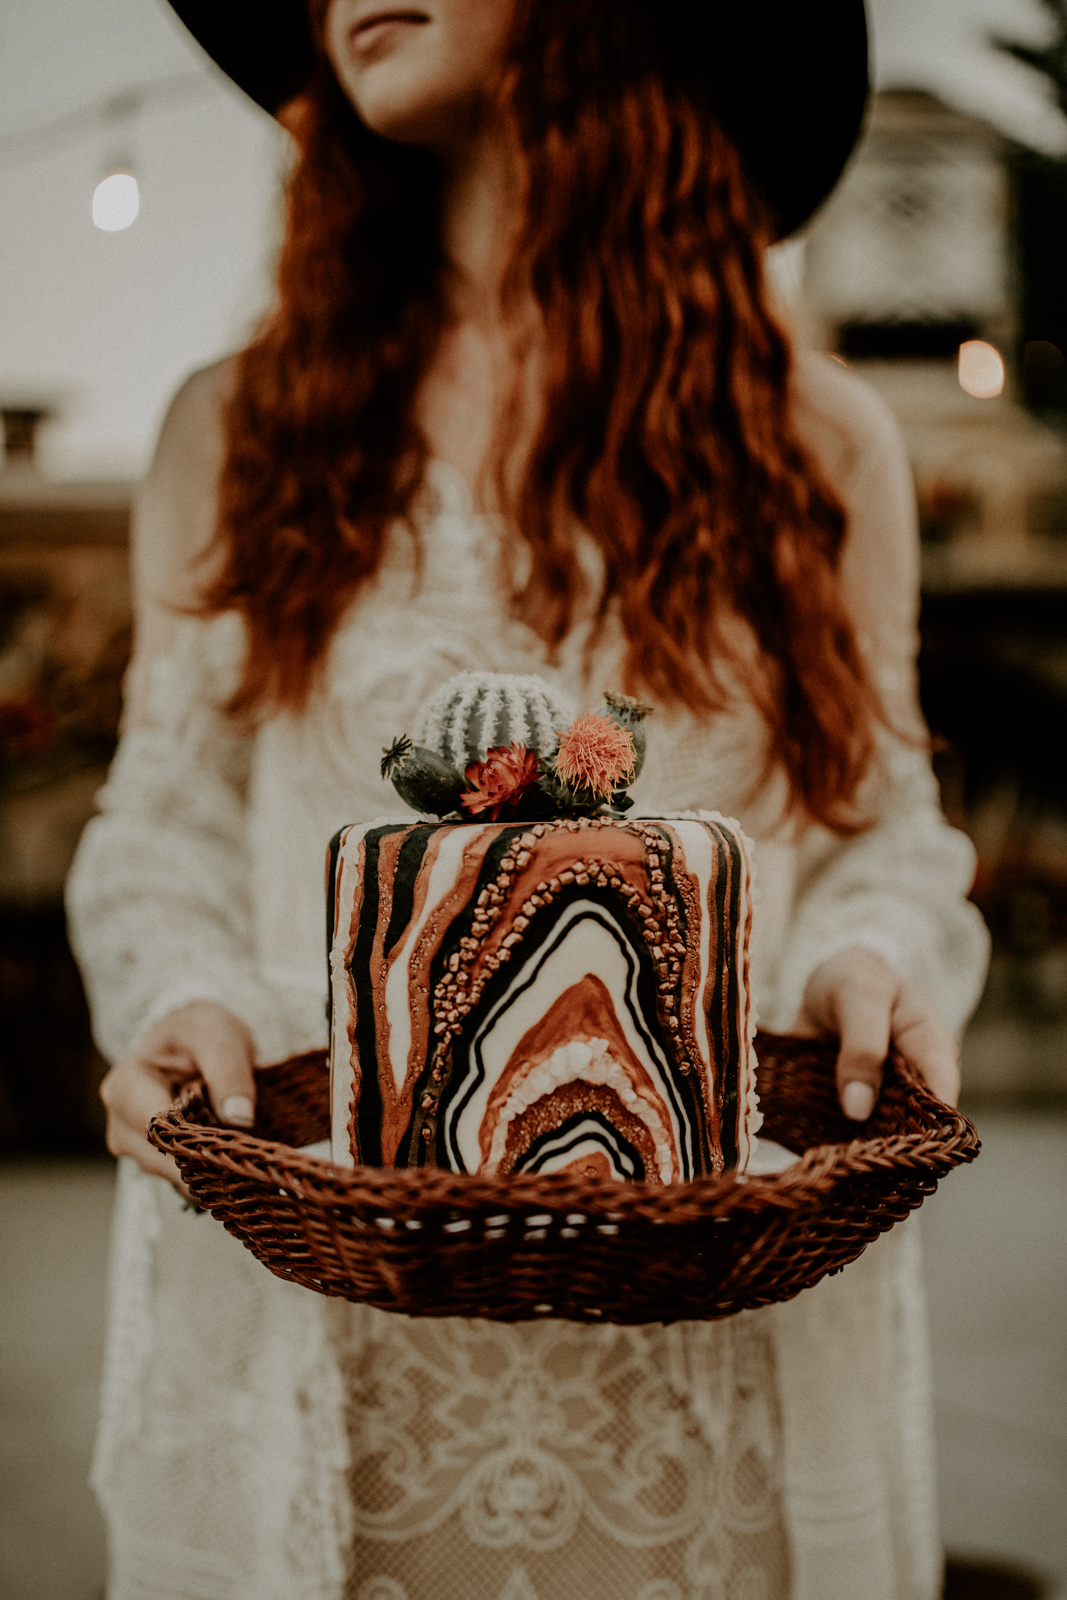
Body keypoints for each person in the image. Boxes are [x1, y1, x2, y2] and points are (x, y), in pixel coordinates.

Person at [67, 2, 990, 1597]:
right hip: (328, 1271)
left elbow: (882, 825)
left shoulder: (815, 442)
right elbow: (167, 819)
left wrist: (874, 960)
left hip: (704, 1280)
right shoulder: (242, 429)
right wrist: (183, 995)